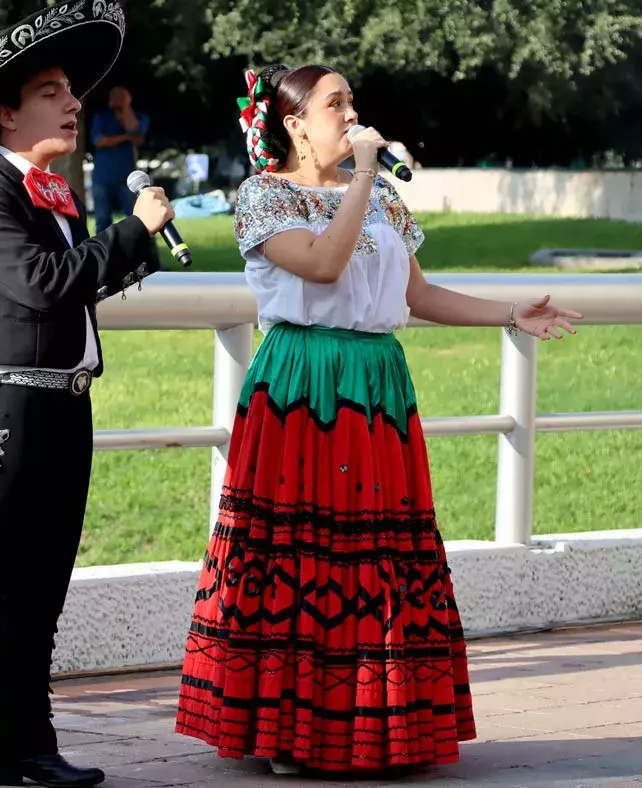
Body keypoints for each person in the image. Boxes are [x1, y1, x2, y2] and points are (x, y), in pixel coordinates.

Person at [174, 64, 582, 777]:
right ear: (295, 123)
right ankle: (289, 732)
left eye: (352, 102)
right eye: (336, 104)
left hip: (376, 383)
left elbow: (416, 293)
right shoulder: (266, 196)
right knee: (298, 552)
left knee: (380, 555)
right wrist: (362, 173)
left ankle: (378, 727)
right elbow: (325, 267)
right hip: (303, 381)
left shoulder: (383, 195)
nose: (352, 114)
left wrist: (509, 314)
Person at [0, 4, 172, 787]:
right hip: (7, 415)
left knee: (41, 588)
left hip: (62, 404)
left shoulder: (52, 194)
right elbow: (42, 282)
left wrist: (127, 244)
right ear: (7, 113)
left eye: (71, 90)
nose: (73, 102)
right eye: (51, 91)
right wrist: (136, 230)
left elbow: (50, 298)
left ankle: (23, 750)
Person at [89, 85, 149, 231]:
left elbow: (135, 133)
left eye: (122, 96)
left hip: (128, 179)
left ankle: (134, 251)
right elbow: (99, 141)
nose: (118, 100)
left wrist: (126, 107)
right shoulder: (101, 117)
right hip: (102, 177)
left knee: (134, 218)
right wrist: (126, 137)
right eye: (115, 96)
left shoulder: (140, 117)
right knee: (102, 221)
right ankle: (104, 252)